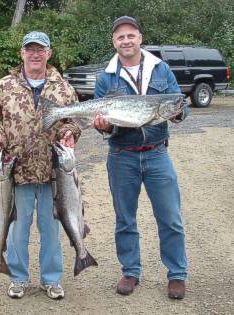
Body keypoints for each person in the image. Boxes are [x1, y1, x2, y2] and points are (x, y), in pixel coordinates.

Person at [92, 16, 189, 299]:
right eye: (120, 37)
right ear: (114, 42)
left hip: (157, 154)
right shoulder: (106, 77)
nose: (126, 41)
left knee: (170, 217)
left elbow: (180, 105)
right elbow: (106, 128)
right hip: (122, 156)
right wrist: (104, 125)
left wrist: (179, 111)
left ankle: (177, 275)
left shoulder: (161, 69)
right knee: (125, 219)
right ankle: (130, 271)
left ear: (140, 38)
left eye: (130, 35)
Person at [0, 31, 81, 300]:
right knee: (16, 228)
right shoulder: (4, 86)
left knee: (51, 229)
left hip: (54, 173)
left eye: (41, 49)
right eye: (30, 49)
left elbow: (74, 120)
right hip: (17, 172)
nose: (35, 54)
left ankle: (51, 279)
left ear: (49, 53)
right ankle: (18, 278)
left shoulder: (63, 87)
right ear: (22, 53)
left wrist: (70, 132)